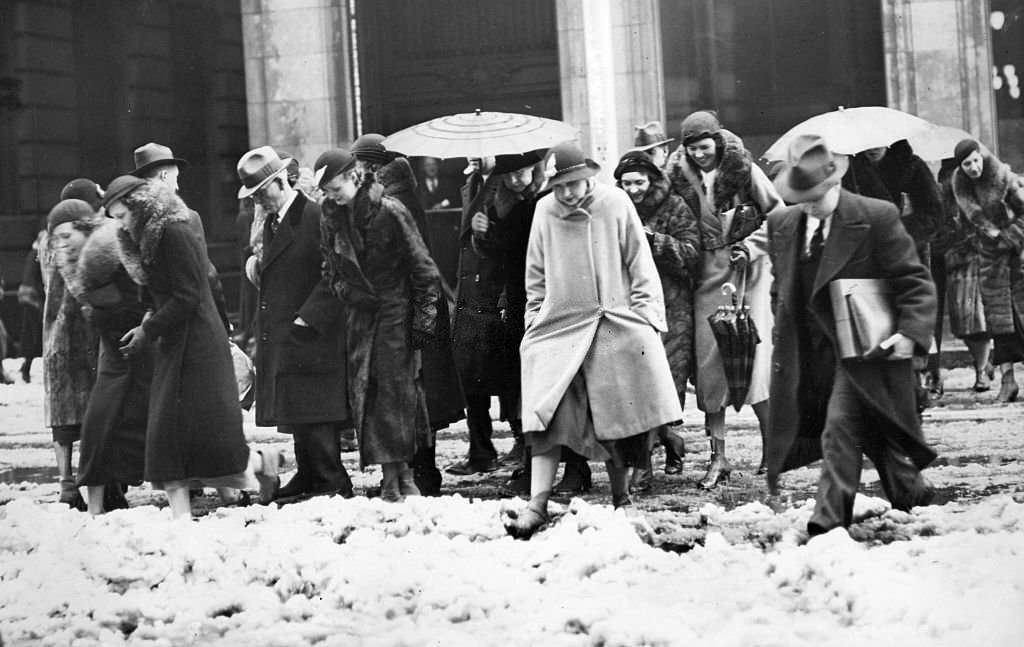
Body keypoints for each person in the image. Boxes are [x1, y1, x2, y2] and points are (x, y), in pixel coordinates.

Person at [504, 142, 683, 539]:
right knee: (547, 415)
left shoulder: (615, 203)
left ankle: (622, 498)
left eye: (574, 184)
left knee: (617, 417)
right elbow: (535, 274)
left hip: (612, 324)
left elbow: (640, 261)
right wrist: (535, 320)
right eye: (560, 186)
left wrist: (644, 316)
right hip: (560, 327)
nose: (567, 193)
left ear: (589, 176)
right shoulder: (543, 211)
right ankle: (538, 504)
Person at [765, 134, 937, 536]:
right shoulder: (783, 224)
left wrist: (911, 332)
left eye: (815, 195)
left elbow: (914, 280)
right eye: (800, 195)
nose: (808, 203)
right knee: (869, 425)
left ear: (836, 182)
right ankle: (910, 491)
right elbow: (781, 288)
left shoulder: (876, 216)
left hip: (864, 347)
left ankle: (828, 522)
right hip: (811, 351)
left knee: (839, 427)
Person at [103, 175, 278, 518]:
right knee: (173, 435)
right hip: (176, 339)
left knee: (200, 435)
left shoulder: (173, 232)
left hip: (197, 343)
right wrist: (148, 325)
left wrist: (147, 330)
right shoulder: (148, 236)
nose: (119, 224)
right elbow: (165, 295)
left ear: (138, 206)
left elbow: (188, 294)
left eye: (121, 215)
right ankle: (184, 516)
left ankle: (257, 465)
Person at [315, 148, 442, 502]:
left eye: (335, 187)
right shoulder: (331, 218)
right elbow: (330, 270)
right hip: (361, 318)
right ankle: (397, 477)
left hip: (396, 314)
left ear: (354, 176)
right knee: (369, 398)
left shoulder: (391, 211)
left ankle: (398, 479)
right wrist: (348, 293)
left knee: (395, 398)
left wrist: (423, 327)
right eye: (325, 191)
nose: (331, 196)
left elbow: (424, 272)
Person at [665, 110, 784, 486]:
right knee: (709, 365)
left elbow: (779, 214)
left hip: (749, 272)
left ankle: (773, 448)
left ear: (717, 142)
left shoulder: (744, 169)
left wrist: (752, 246)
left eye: (705, 147)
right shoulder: (676, 177)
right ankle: (719, 457)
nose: (700, 155)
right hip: (704, 274)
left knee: (754, 359)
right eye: (692, 149)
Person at [351, 133, 465, 494]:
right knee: (417, 393)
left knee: (417, 394)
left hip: (411, 312)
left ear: (371, 166)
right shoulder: (401, 194)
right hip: (417, 310)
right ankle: (418, 473)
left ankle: (423, 475)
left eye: (358, 164)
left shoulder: (393, 201)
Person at [239, 146, 353, 501]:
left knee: (317, 411)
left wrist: (309, 316)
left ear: (279, 182)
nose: (260, 201)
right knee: (298, 411)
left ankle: (332, 480)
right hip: (289, 332)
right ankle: (309, 475)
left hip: (313, 333)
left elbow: (338, 270)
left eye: (262, 192)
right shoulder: (274, 222)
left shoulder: (316, 216)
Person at [448, 151, 544, 478]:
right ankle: (481, 449)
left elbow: (517, 252)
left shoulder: (535, 200)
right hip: (477, 295)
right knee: (472, 375)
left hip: (507, 297)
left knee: (512, 377)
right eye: (510, 173)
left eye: (523, 172)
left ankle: (521, 445)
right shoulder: (483, 188)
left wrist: (485, 233)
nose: (517, 179)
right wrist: (480, 232)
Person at [614, 150, 699, 491]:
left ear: (652, 180)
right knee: (639, 387)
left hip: (673, 309)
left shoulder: (675, 207)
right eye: (627, 183)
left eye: (639, 182)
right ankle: (649, 459)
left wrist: (654, 241)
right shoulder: (616, 209)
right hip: (632, 308)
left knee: (664, 387)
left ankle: (663, 445)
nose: (634, 189)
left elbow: (693, 254)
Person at [63, 216, 150, 515]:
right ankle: (97, 507)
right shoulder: (77, 267)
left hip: (140, 346)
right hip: (114, 350)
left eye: (68, 235)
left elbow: (135, 300)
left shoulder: (111, 250)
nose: (62, 243)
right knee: (99, 426)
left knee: (162, 425)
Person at [949, 138, 1024, 402]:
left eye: (975, 160)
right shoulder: (961, 189)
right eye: (966, 164)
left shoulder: (1004, 178)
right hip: (988, 261)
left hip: (1016, 258)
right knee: (998, 322)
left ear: (982, 157)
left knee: (1020, 316)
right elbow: (965, 224)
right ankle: (1008, 381)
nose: (972, 167)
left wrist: (1006, 237)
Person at [130, 142, 230, 332]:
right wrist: (224, 323)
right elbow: (207, 275)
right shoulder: (186, 217)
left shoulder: (135, 220)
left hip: (157, 323)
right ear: (164, 176)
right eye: (176, 178)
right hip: (191, 325)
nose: (177, 186)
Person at [41, 198, 100, 510]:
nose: (62, 241)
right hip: (75, 342)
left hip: (60, 341)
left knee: (70, 420)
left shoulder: (51, 250)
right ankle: (72, 483)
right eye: (59, 236)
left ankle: (71, 482)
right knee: (80, 419)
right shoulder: (79, 253)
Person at [938, 157, 994, 392]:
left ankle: (981, 370)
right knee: (963, 323)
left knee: (978, 320)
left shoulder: (979, 194)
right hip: (957, 265)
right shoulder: (944, 199)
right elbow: (938, 227)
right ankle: (983, 360)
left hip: (981, 262)